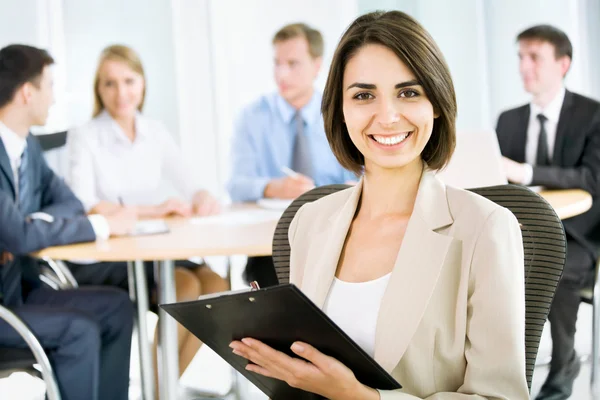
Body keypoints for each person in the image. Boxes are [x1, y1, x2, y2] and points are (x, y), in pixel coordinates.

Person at [229, 11, 529, 399]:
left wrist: (358, 396)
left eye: (408, 92)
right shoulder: (310, 222)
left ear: (435, 103)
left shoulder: (486, 228)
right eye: (363, 95)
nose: (386, 117)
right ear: (340, 107)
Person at [66, 44, 228, 377]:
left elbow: (192, 182)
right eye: (109, 83)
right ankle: (160, 391)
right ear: (98, 89)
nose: (120, 92)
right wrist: (153, 211)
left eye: (129, 81)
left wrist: (202, 197)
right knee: (182, 286)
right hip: (107, 256)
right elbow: (85, 204)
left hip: (153, 249)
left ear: (143, 84)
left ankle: (165, 389)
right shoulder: (85, 136)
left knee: (215, 285)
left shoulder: (154, 131)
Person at [0, 44, 135, 400]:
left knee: (117, 307)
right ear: (28, 92)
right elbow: (17, 235)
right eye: (50, 86)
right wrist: (101, 227)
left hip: (20, 290)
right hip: (3, 305)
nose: (54, 98)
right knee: (79, 330)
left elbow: (70, 204)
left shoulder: (25, 147)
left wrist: (29, 224)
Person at [496, 25, 600, 400]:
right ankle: (499, 374)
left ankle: (562, 371)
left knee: (552, 270)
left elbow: (593, 178)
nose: (525, 66)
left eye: (534, 57)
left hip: (579, 236)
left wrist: (526, 172)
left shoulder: (593, 114)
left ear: (563, 64)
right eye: (521, 57)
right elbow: (499, 184)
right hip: (523, 231)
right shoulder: (508, 120)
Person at [227, 23, 356, 287]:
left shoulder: (342, 115)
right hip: (271, 245)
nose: (281, 74)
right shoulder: (252, 117)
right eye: (277, 63)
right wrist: (274, 187)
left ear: (317, 65)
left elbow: (358, 179)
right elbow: (236, 185)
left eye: (292, 64)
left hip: (333, 235)